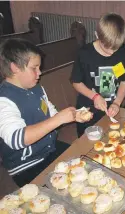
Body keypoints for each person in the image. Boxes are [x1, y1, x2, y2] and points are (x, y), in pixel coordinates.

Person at [0, 38, 92, 187]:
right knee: (68, 188)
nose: (39, 72)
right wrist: (58, 120)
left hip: (49, 149)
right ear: (15, 67)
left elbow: (52, 113)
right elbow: (16, 139)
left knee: (85, 163)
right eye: (34, 68)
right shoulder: (4, 99)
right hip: (27, 164)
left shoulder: (37, 88)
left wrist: (74, 116)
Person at [71, 12, 125, 137]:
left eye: (116, 48)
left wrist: (117, 103)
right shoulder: (84, 54)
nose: (112, 52)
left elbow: (123, 82)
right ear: (96, 36)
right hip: (87, 110)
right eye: (107, 47)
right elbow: (76, 82)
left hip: (111, 109)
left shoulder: (122, 55)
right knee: (86, 143)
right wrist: (95, 96)